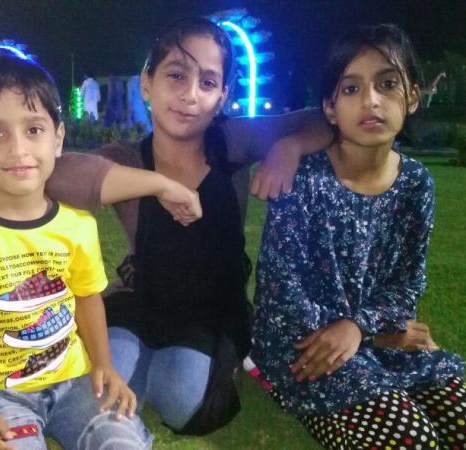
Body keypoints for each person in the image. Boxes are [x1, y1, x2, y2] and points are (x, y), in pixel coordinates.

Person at [0, 55, 202, 450]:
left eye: (33, 129)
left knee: (122, 443)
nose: (18, 149)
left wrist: (103, 365)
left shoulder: (77, 224)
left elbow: (87, 298)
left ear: (58, 138)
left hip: (75, 382)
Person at [47, 17, 332, 435]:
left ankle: (190, 366)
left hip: (211, 311)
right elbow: (54, 175)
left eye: (208, 82)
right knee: (102, 386)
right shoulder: (129, 159)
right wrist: (157, 185)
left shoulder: (232, 142)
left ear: (222, 96)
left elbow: (325, 119)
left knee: (186, 405)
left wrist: (289, 146)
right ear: (147, 83)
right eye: (176, 75)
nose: (190, 95)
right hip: (141, 299)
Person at [250, 24, 466, 449]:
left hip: (375, 334)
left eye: (387, 84)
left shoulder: (415, 184)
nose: (371, 100)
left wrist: (362, 330)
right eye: (351, 88)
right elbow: (281, 291)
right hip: (307, 347)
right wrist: (361, 335)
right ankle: (296, 397)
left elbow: (407, 283)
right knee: (409, 439)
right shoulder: (305, 181)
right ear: (330, 107)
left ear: (412, 96)